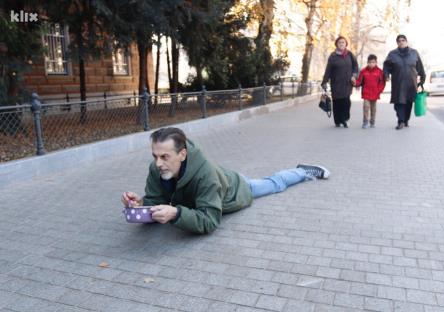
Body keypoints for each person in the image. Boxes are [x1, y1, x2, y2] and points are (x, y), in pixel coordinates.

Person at [121, 127, 330, 234]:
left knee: (274, 184)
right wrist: (141, 204)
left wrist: (176, 213)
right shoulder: (157, 168)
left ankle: (303, 171)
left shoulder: (206, 176)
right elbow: (157, 199)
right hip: (221, 178)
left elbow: (209, 221)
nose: (158, 163)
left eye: (164, 157)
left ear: (182, 154)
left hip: (236, 189)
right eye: (155, 156)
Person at [383, 34, 426, 130]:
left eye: (403, 40)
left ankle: (406, 120)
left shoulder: (414, 53)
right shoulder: (392, 54)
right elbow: (386, 66)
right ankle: (401, 121)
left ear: (406, 41)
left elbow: (420, 67)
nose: (401, 42)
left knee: (408, 103)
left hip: (411, 83)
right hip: (398, 82)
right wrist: (386, 75)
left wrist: (422, 79)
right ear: (397, 43)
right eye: (399, 41)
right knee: (399, 103)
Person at [321, 36, 359, 128]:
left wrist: (354, 76)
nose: (342, 44)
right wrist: (324, 82)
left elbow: (356, 67)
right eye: (340, 42)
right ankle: (338, 121)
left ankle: (345, 119)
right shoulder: (333, 56)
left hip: (347, 83)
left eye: (343, 42)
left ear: (346, 44)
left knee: (346, 102)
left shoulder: (350, 54)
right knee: (337, 102)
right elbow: (328, 70)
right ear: (337, 44)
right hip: (336, 83)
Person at [355, 54, 386, 129]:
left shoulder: (379, 71)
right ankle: (365, 121)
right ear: (367, 63)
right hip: (366, 92)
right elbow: (359, 81)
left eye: (373, 62)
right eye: (370, 62)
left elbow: (382, 83)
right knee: (366, 107)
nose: (371, 64)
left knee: (373, 108)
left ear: (376, 63)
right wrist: (355, 84)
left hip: (375, 93)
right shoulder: (363, 71)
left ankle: (372, 121)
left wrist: (379, 90)